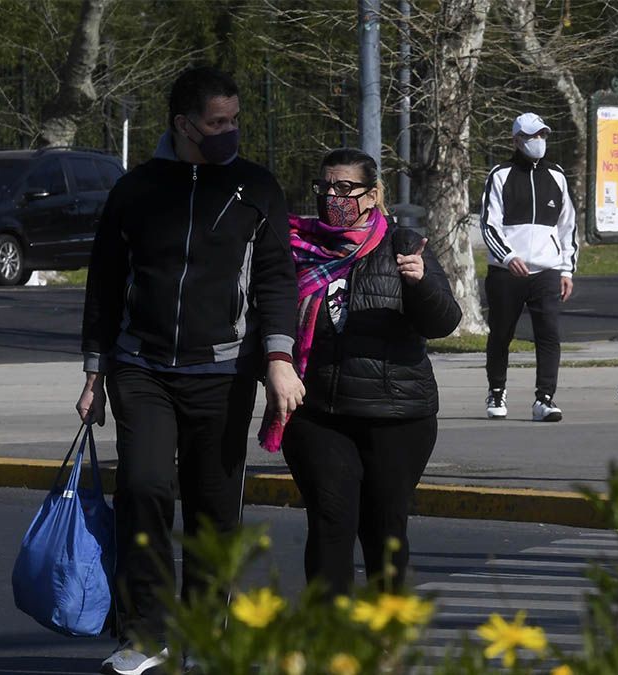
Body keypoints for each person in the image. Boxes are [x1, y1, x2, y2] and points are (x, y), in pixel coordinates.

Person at [77, 66, 305, 675]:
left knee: (213, 509)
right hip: (141, 368)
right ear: (183, 125)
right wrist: (95, 372)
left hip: (223, 374)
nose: (230, 131)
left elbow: (277, 279)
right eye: (217, 123)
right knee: (146, 490)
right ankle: (143, 637)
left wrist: (278, 360)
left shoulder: (257, 187)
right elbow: (103, 283)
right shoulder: (137, 189)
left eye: (235, 120)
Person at [259, 148, 461, 596]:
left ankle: (384, 638)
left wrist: (421, 282)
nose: (333, 196)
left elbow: (444, 321)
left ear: (372, 196)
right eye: (325, 187)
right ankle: (330, 642)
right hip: (319, 414)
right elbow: (268, 319)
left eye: (345, 188)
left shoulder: (403, 245)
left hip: (397, 414)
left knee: (384, 529)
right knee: (331, 521)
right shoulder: (294, 247)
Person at [480, 112, 578, 422]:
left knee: (549, 334)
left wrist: (566, 270)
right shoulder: (500, 175)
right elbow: (489, 225)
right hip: (506, 272)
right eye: (532, 136)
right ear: (516, 140)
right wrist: (509, 257)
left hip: (546, 272)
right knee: (501, 333)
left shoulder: (557, 176)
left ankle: (544, 399)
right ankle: (497, 390)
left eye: (543, 135)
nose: (538, 142)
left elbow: (568, 227)